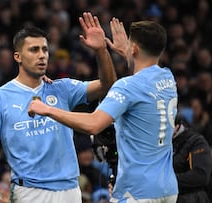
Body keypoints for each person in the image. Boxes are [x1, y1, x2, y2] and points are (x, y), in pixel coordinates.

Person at [28, 18, 179, 202]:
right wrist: (127, 53)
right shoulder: (168, 78)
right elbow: (144, 77)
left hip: (137, 191)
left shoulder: (126, 87)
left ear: (135, 49)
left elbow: (93, 124)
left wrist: (48, 109)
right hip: (168, 189)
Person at [0, 12, 117, 203]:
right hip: (29, 191)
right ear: (18, 56)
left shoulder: (62, 88)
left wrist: (101, 50)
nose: (42, 55)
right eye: (34, 50)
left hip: (70, 189)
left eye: (45, 49)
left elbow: (108, 85)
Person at [172, 114, 212, 203]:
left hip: (191, 198)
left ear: (176, 127)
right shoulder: (159, 145)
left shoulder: (196, 142)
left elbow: (201, 175)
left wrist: (168, 180)